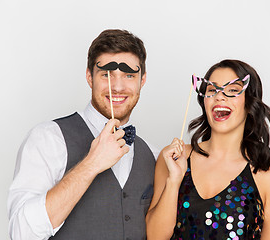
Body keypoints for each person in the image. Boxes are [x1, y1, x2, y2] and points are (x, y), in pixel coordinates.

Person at [8, 29, 159, 240]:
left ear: (142, 80)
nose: (117, 86)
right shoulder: (49, 139)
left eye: (129, 75)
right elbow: (21, 233)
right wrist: (91, 164)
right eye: (106, 74)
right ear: (89, 77)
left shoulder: (152, 155)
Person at [146, 59, 270, 240]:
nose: (219, 97)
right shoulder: (174, 157)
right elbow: (154, 237)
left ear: (249, 102)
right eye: (212, 90)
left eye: (233, 90)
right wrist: (174, 180)